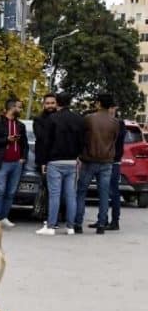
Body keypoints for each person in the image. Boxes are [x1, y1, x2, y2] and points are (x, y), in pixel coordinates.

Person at [35, 92, 83, 235]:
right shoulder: (78, 119)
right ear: (70, 102)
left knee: (54, 195)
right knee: (71, 195)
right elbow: (82, 140)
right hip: (72, 161)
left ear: (58, 102)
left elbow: (46, 142)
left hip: (55, 161)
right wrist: (78, 156)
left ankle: (50, 226)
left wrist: (44, 161)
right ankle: (70, 227)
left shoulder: (52, 119)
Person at [74, 93, 120, 235]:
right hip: (107, 161)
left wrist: (81, 154)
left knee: (81, 192)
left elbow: (81, 138)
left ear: (98, 103)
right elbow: (114, 140)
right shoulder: (115, 122)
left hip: (89, 160)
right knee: (104, 194)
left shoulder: (89, 119)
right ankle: (101, 224)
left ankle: (78, 223)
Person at [0, 96, 28, 227]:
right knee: (0, 191)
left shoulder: (20, 125)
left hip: (16, 164)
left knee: (10, 192)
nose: (21, 109)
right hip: (1, 163)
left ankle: (4, 217)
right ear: (12, 108)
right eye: (19, 107)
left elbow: (24, 144)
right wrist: (7, 139)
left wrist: (23, 158)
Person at [32, 92, 58, 223]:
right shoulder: (38, 120)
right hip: (44, 160)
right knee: (46, 188)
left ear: (57, 103)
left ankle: (54, 217)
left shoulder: (61, 117)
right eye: (47, 103)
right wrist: (43, 162)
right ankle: (45, 216)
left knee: (55, 190)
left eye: (52, 103)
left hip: (59, 159)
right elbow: (41, 139)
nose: (50, 106)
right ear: (43, 105)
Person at [105, 105, 125, 231]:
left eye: (112, 107)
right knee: (103, 192)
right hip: (103, 160)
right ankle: (103, 219)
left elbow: (117, 141)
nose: (110, 110)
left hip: (114, 162)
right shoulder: (104, 122)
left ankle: (115, 221)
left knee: (113, 192)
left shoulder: (119, 123)